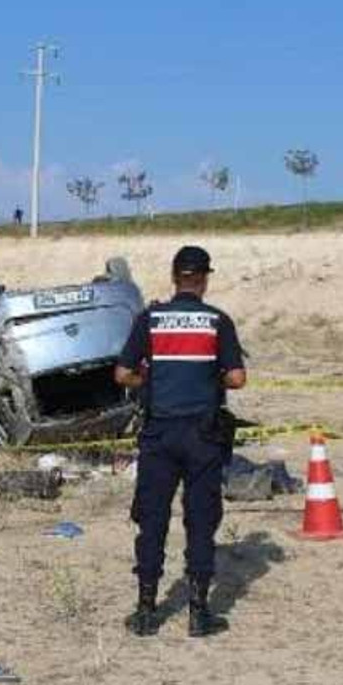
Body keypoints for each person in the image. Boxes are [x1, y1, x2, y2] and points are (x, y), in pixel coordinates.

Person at [114, 246, 247, 638]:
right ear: (204, 279)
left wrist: (150, 382)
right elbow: (237, 378)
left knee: (152, 520)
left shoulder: (149, 319)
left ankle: (144, 611)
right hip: (203, 435)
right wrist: (209, 380)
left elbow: (122, 374)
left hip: (159, 434)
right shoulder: (217, 321)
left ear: (174, 278)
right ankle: (198, 613)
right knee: (201, 522)